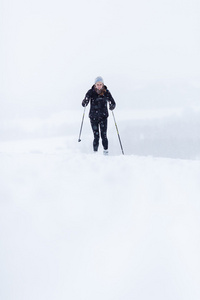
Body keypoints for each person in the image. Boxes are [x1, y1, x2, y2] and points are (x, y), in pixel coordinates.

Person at [82, 76, 116, 154]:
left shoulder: (106, 92)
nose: (99, 86)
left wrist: (112, 106)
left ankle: (106, 152)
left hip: (103, 117)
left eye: (100, 84)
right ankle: (95, 153)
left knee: (104, 136)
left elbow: (113, 102)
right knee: (96, 136)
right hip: (93, 117)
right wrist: (85, 101)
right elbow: (84, 103)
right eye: (98, 84)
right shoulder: (90, 92)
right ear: (95, 85)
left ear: (103, 84)